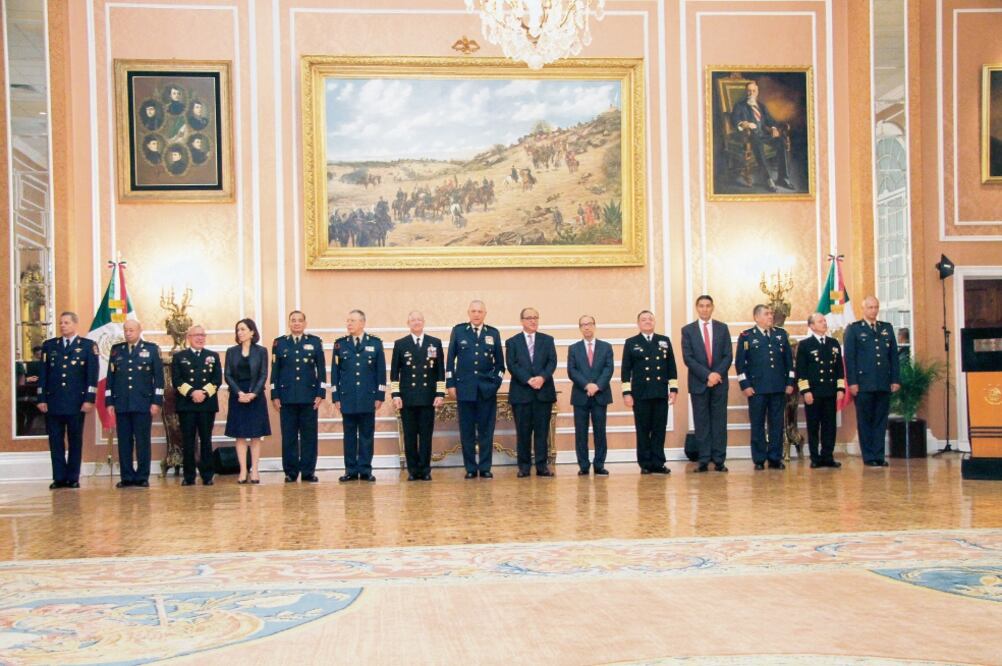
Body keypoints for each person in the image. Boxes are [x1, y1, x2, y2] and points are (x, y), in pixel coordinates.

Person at [36, 312, 99, 489]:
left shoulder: (87, 346)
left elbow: (91, 376)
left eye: (66, 322)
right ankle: (59, 477)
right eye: (60, 323)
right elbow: (43, 374)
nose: (62, 325)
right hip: (53, 402)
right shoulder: (50, 346)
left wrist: (89, 399)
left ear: (75, 324)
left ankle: (73, 477)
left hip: (76, 403)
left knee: (75, 440)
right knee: (55, 441)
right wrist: (41, 398)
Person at [447, 300, 505, 479]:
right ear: (468, 313)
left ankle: (485, 467)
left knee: (487, 430)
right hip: (465, 390)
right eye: (473, 311)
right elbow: (450, 361)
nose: (476, 314)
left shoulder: (493, 333)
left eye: (480, 311)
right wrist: (450, 384)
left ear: (485, 313)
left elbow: (501, 366)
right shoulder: (458, 331)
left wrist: (494, 385)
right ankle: (471, 468)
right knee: (467, 431)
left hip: (486, 391)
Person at [735, 304, 795, 470]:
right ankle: (759, 459)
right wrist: (745, 385)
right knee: (758, 425)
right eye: (767, 314)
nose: (771, 317)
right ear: (757, 317)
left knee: (777, 424)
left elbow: (789, 362)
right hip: (756, 389)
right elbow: (740, 365)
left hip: (778, 388)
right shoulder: (747, 336)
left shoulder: (780, 335)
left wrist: (790, 383)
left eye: (771, 314)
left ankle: (775, 458)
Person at [844, 296, 901, 467]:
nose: (873, 310)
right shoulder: (854, 329)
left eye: (876, 307)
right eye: (870, 307)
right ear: (863, 309)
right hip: (863, 383)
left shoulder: (886, 328)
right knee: (865, 420)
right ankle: (869, 456)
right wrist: (852, 382)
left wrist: (895, 379)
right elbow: (850, 358)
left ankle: (879, 455)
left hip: (883, 382)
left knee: (880, 420)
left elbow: (893, 357)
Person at [270, 311, 326, 483]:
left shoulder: (315, 342)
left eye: (300, 321)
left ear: (305, 323)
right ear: (289, 323)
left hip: (309, 397)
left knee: (309, 436)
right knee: (289, 437)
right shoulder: (279, 343)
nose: (296, 323)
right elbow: (275, 372)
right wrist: (274, 394)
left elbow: (322, 371)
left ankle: (308, 471)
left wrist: (321, 393)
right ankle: (291, 472)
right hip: (286, 397)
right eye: (293, 321)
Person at [107, 319, 164, 488]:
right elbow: (111, 379)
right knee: (124, 442)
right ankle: (127, 476)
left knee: (142, 441)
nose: (128, 333)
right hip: (122, 403)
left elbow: (159, 379)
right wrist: (109, 401)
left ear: (139, 330)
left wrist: (156, 402)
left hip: (143, 403)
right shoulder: (117, 350)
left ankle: (142, 476)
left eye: (131, 330)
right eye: (126, 330)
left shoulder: (152, 350)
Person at [390, 311, 445, 481]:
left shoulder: (434, 343)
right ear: (408, 323)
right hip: (407, 398)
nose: (416, 322)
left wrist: (440, 393)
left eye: (419, 319)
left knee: (426, 435)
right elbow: (394, 373)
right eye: (413, 320)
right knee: (410, 435)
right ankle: (413, 470)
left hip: (428, 398)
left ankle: (425, 469)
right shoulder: (401, 344)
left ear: (424, 322)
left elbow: (440, 371)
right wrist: (395, 394)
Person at [622, 310, 678, 475]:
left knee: (659, 429)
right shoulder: (631, 342)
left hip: (660, 392)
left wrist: (673, 389)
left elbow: (671, 367)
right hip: (640, 394)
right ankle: (645, 463)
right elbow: (626, 370)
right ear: (638, 323)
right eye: (643, 319)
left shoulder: (664, 341)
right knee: (643, 429)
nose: (647, 322)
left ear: (654, 322)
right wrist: (626, 392)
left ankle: (658, 462)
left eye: (650, 319)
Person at [681, 295, 733, 472]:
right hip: (699, 383)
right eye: (701, 306)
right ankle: (703, 459)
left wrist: (716, 374)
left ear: (712, 307)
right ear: (697, 308)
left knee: (719, 422)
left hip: (719, 383)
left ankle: (719, 459)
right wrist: (707, 375)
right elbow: (688, 358)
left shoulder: (722, 328)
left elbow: (728, 355)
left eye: (708, 306)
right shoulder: (687, 330)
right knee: (701, 422)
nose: (704, 309)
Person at [333, 310, 386, 483]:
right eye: (348, 321)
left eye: (353, 321)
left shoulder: (376, 344)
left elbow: (380, 372)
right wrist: (336, 397)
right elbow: (335, 373)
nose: (349, 324)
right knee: (349, 436)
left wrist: (380, 396)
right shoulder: (340, 345)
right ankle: (350, 469)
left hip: (367, 397)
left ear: (362, 323)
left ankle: (365, 469)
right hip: (347, 397)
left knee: (366, 435)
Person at [506, 307, 557, 477]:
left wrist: (541, 378)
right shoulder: (512, 342)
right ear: (522, 321)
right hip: (522, 394)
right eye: (529, 318)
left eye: (535, 317)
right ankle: (524, 467)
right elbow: (512, 365)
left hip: (544, 393)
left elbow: (552, 362)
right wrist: (529, 380)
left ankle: (542, 466)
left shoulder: (547, 340)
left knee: (542, 432)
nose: (533, 321)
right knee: (523, 432)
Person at [171, 324, 221, 486]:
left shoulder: (213, 356)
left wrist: (203, 393)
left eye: (203, 335)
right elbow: (177, 381)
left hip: (207, 405)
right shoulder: (179, 357)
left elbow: (216, 380)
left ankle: (207, 475)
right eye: (197, 335)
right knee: (188, 441)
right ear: (189, 338)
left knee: (206, 440)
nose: (200, 338)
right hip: (187, 405)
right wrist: (192, 392)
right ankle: (189, 476)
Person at [796, 313, 845, 469]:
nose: (824, 323)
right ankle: (815, 458)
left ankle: (828, 456)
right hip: (814, 393)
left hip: (830, 392)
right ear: (811, 326)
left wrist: (840, 388)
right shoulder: (805, 345)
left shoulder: (833, 343)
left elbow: (839, 369)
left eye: (824, 321)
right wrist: (806, 391)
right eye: (820, 321)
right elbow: (801, 371)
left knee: (829, 426)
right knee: (813, 426)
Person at [224, 318, 270, 484]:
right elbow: (227, 374)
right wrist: (239, 393)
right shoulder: (231, 351)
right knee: (240, 436)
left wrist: (253, 393)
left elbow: (263, 374)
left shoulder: (261, 351)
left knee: (256, 436)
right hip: (237, 396)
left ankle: (255, 470)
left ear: (252, 332)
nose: (240, 333)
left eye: (243, 329)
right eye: (238, 330)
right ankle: (243, 470)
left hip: (255, 396)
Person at [567, 314, 614, 475]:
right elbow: (572, 371)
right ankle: (584, 465)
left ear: (594, 326)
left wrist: (597, 385)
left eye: (589, 324)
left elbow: (609, 369)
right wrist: (587, 385)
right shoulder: (573, 348)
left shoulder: (606, 347)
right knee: (581, 433)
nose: (586, 327)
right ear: (580, 328)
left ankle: (599, 464)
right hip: (581, 395)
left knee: (600, 431)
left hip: (600, 395)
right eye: (583, 324)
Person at [730, 80, 793, 192]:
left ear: (757, 92)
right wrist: (745, 124)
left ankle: (783, 178)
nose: (751, 93)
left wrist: (773, 128)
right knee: (757, 143)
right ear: (746, 92)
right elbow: (734, 120)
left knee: (780, 141)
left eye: (753, 91)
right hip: (749, 136)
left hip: (763, 134)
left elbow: (770, 120)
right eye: (749, 91)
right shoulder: (739, 106)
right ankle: (768, 179)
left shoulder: (762, 106)